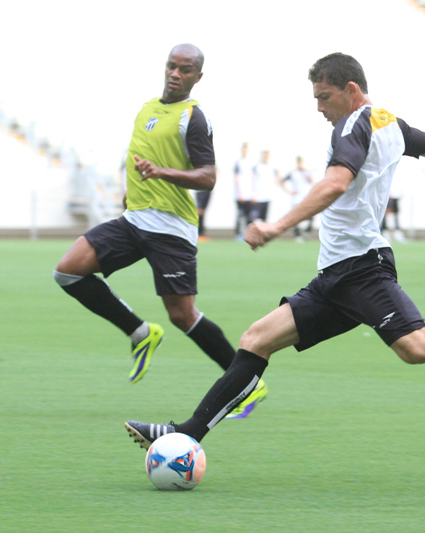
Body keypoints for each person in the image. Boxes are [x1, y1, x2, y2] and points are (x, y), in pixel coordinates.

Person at [124, 52, 425, 450]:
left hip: (362, 271)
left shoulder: (353, 124)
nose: (318, 108)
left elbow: (335, 183)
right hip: (334, 277)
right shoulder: (388, 121)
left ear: (351, 89)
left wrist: (276, 226)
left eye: (323, 97)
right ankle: (185, 435)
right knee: (255, 340)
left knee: (419, 348)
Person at [54, 44, 266, 419]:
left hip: (171, 227)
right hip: (135, 219)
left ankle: (247, 383)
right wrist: (128, 194)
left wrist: (162, 173)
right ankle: (139, 333)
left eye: (185, 70)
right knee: (69, 270)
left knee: (183, 315)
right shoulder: (146, 108)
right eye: (171, 66)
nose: (175, 74)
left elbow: (208, 176)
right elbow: (138, 160)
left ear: (197, 77)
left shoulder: (194, 119)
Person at [279, 155, 315, 241]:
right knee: (295, 218)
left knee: (311, 216)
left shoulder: (306, 172)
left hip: (306, 198)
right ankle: (298, 236)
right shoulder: (293, 173)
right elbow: (281, 181)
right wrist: (289, 191)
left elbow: (310, 181)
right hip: (296, 198)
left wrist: (304, 171)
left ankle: (307, 232)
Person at [249, 149, 278, 223]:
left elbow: (277, 178)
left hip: (267, 197)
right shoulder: (257, 167)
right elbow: (251, 180)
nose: (266, 157)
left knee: (264, 219)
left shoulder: (272, 167)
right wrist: (252, 194)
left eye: (267, 156)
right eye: (265, 155)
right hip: (257, 197)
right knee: (254, 218)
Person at [233, 142, 252, 241]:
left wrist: (253, 193)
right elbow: (236, 178)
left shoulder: (251, 163)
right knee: (240, 215)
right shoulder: (238, 162)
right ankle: (238, 234)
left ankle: (249, 235)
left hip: (249, 194)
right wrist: (239, 193)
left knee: (249, 216)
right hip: (240, 195)